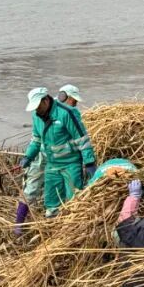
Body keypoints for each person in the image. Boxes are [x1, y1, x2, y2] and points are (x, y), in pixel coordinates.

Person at [15, 84, 88, 233]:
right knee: (33, 189)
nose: (75, 104)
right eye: (74, 101)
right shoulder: (39, 114)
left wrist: (89, 162)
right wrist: (28, 156)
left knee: (72, 195)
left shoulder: (67, 113)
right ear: (65, 96)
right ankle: (19, 225)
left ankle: (69, 228)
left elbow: (81, 139)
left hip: (66, 162)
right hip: (44, 156)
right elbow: (36, 139)